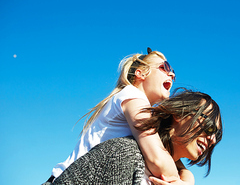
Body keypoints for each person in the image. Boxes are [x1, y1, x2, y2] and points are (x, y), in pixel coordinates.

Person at [45, 48, 194, 184]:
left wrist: (188, 177)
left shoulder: (133, 104)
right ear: (140, 73)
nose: (172, 74)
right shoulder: (132, 95)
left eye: (173, 72)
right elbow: (159, 160)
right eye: (165, 67)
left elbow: (170, 159)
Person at [51, 88, 223, 185]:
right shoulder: (124, 153)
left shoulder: (179, 178)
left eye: (216, 135)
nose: (212, 139)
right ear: (181, 113)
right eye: (209, 128)